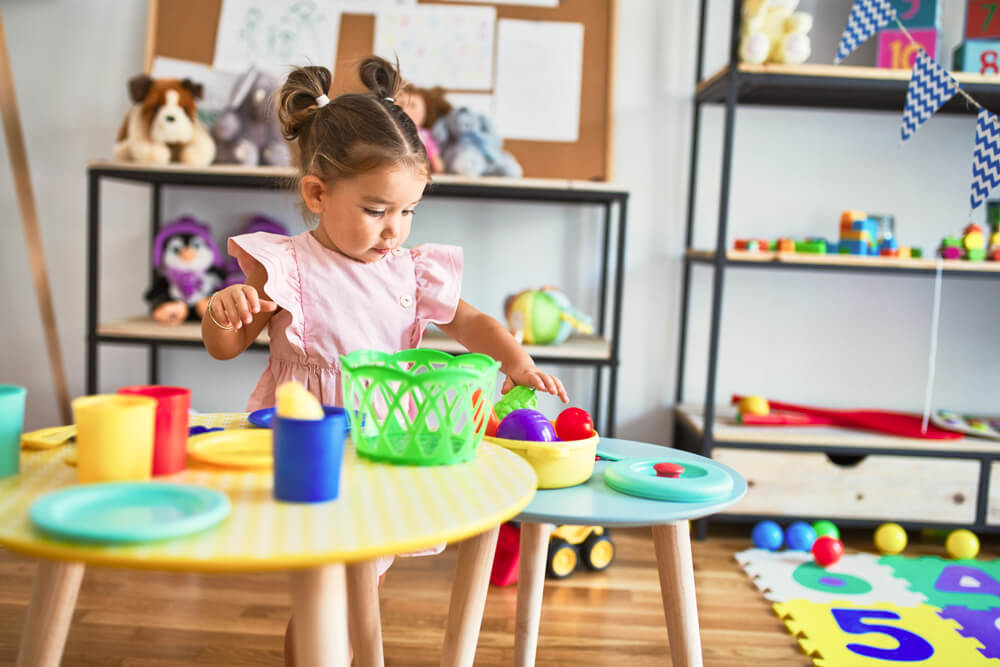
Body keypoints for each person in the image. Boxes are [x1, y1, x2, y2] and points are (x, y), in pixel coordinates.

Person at [200, 55, 568, 665]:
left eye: (407, 211)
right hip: (309, 453)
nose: (394, 229)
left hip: (383, 448)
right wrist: (222, 312)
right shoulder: (286, 265)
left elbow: (471, 321)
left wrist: (517, 360)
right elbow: (227, 347)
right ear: (317, 193)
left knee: (363, 584)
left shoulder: (409, 270)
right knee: (324, 594)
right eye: (376, 210)